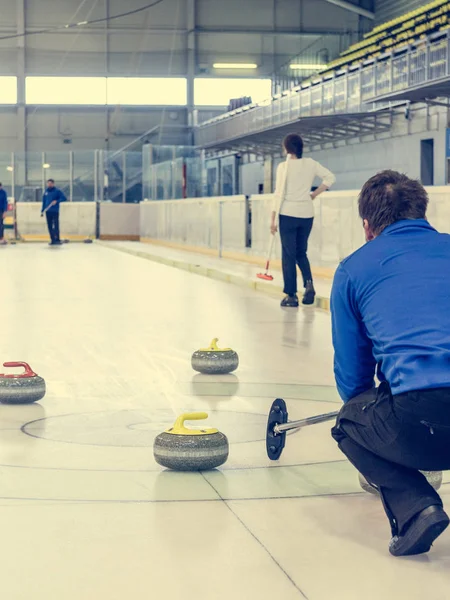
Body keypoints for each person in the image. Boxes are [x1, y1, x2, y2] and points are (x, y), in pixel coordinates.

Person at [330, 170, 450, 557]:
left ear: (367, 226)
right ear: (423, 213)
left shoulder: (353, 270)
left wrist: (375, 409)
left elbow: (353, 377)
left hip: (421, 419)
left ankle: (417, 507)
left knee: (349, 422)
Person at [271, 134, 335, 308]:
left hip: (288, 213)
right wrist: (314, 194)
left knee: (289, 255)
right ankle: (308, 284)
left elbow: (279, 193)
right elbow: (330, 178)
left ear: (286, 148)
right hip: (307, 214)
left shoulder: (283, 167)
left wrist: (273, 219)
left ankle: (291, 296)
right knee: (301, 252)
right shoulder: (311, 163)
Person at [41, 179, 66, 245]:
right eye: (48, 183)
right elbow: (44, 201)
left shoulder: (57, 191)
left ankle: (57, 239)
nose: (49, 184)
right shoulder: (46, 192)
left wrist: (57, 201)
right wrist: (42, 210)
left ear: (53, 184)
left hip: (55, 211)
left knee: (56, 225)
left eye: (50, 183)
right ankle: (52, 239)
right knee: (49, 226)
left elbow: (64, 198)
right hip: (48, 211)